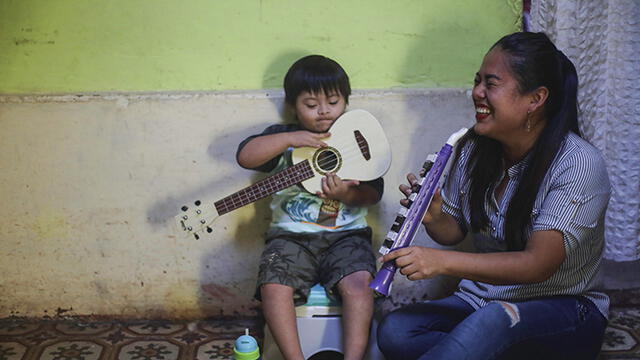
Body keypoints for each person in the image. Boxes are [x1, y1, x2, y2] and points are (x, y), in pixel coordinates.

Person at [377, 32, 610, 360]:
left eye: (491, 83)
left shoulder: (579, 163)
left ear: (535, 98)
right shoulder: (474, 148)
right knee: (396, 331)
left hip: (565, 311)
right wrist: (434, 215)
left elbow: (536, 265)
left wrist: (441, 263)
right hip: (482, 301)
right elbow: (453, 231)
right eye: (477, 81)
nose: (477, 93)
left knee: (490, 324)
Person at [236, 55, 384, 360]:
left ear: (346, 101)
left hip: (347, 236)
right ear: (293, 106)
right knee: (274, 286)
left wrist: (346, 194)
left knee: (360, 285)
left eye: (333, 101)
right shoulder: (284, 142)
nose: (323, 111)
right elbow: (245, 156)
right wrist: (290, 137)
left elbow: (373, 194)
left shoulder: (356, 143)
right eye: (311, 104)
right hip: (290, 238)